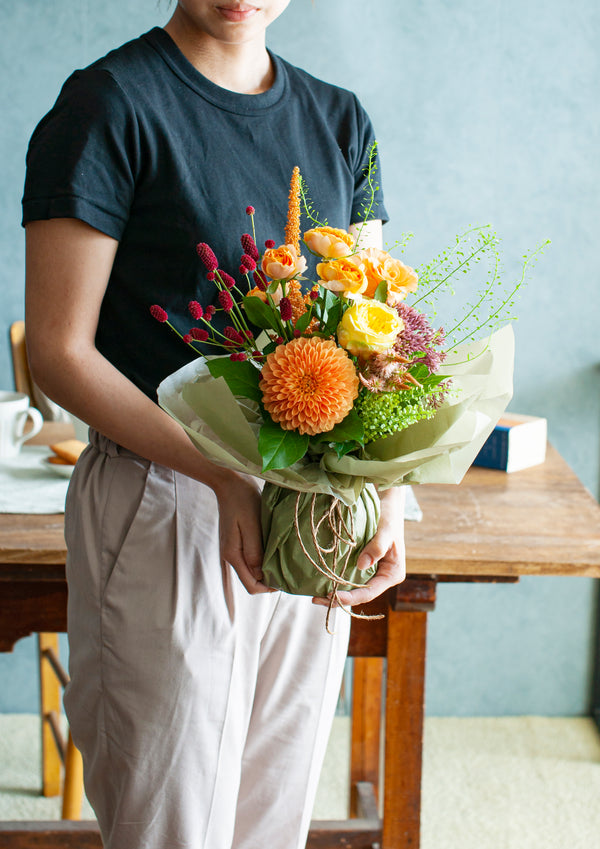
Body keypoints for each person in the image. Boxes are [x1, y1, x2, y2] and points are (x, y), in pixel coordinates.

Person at [22, 2, 406, 848]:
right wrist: (222, 474)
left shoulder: (341, 120)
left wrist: (383, 497)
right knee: (171, 824)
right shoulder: (106, 106)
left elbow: (375, 338)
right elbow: (58, 350)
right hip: (164, 497)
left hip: (312, 502)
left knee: (273, 817)